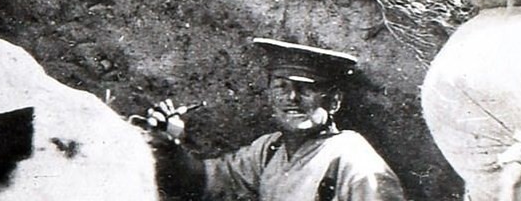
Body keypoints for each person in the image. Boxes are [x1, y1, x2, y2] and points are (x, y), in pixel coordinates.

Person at [148, 37, 406, 201]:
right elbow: (201, 182)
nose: (291, 98)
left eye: (306, 88)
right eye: (281, 87)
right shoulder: (269, 150)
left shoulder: (353, 163)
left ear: (334, 101)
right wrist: (169, 145)